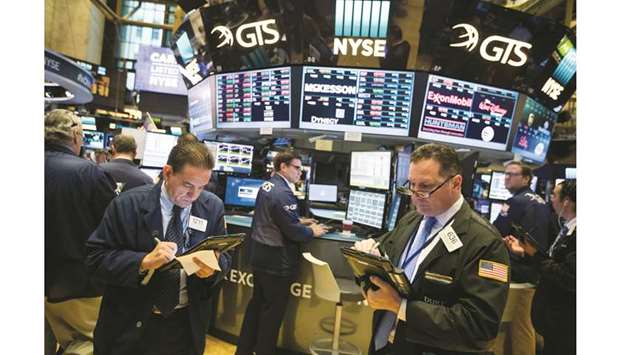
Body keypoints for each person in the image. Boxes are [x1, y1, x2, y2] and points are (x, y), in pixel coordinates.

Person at [354, 143, 510, 355]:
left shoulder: (485, 242)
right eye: (412, 185)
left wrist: (401, 307)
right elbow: (385, 253)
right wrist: (367, 256)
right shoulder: (412, 218)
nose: (415, 195)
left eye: (426, 187)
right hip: (386, 344)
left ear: (456, 183)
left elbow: (480, 325)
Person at [86, 142, 232, 355]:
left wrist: (213, 269)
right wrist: (142, 262)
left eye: (202, 187)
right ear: (167, 172)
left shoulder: (212, 207)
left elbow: (225, 256)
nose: (194, 196)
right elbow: (95, 259)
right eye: (188, 185)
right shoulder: (128, 204)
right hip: (131, 326)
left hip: (185, 327)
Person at [235, 150, 328, 355]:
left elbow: (273, 218)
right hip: (277, 263)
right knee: (272, 315)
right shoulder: (283, 192)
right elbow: (294, 233)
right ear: (283, 167)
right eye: (296, 168)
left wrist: (298, 220)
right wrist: (312, 230)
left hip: (260, 256)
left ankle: (243, 350)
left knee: (256, 307)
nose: (300, 173)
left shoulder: (268, 185)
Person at [45, 109, 117, 355]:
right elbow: (112, 229)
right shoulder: (90, 174)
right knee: (85, 344)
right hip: (76, 286)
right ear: (76, 135)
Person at [493, 161, 557, 355]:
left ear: (526, 178)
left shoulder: (516, 202)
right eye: (505, 174)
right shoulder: (541, 202)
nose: (507, 178)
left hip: (517, 274)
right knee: (520, 327)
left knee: (510, 328)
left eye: (512, 174)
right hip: (533, 273)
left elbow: (494, 233)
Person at [505, 181, 576, 355]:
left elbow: (569, 276)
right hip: (554, 322)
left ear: (566, 201)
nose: (551, 199)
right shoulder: (568, 228)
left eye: (554, 195)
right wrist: (526, 252)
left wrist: (535, 256)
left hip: (565, 320)